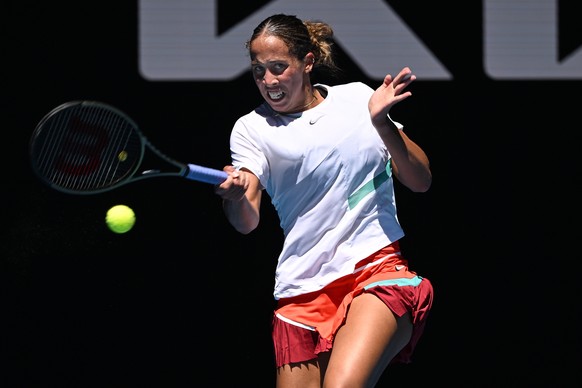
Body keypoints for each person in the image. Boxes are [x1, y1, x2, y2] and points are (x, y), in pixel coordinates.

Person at [214, 13, 434, 388]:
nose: (268, 81)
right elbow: (246, 220)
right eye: (258, 71)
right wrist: (234, 197)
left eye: (278, 67)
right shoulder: (251, 129)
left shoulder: (359, 99)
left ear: (308, 61)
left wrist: (382, 124)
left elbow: (421, 180)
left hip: (374, 272)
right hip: (301, 293)